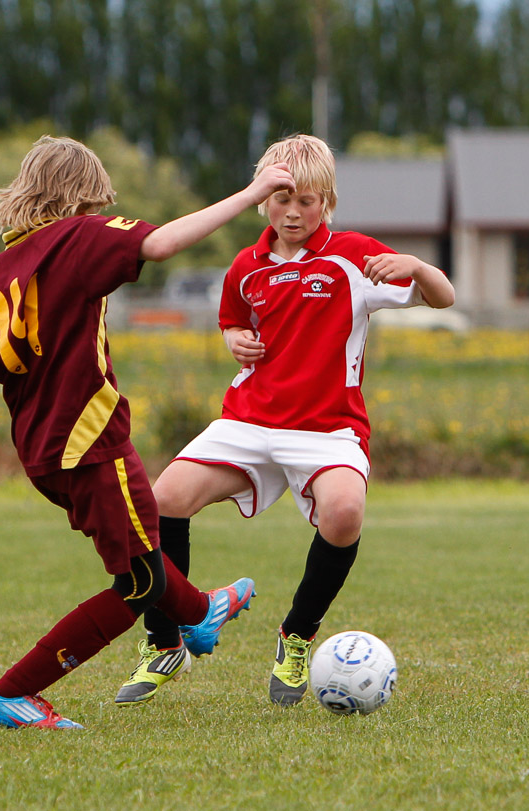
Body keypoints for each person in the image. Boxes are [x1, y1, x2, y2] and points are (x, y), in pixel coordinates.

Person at [0, 135, 296, 729]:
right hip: (89, 441)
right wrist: (251, 192)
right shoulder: (79, 236)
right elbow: (162, 243)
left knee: (142, 553)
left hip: (43, 455)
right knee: (139, 582)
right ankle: (10, 693)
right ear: (81, 196)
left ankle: (201, 613)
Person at [114, 134, 455, 707]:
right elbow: (232, 319)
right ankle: (165, 641)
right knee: (163, 499)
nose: (293, 212)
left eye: (306, 201)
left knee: (344, 513)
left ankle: (296, 637)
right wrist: (233, 338)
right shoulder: (245, 266)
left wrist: (418, 266)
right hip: (249, 421)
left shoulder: (353, 256)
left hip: (328, 429)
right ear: (263, 200)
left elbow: (443, 299)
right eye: (281, 199)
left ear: (327, 203)